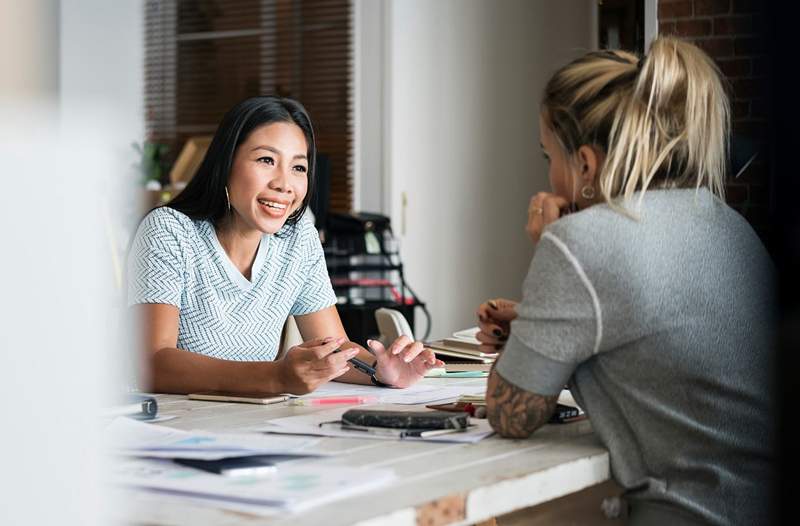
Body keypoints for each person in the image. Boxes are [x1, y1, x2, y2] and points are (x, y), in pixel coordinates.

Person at [476, 37, 774, 525]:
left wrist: (552, 244)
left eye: (548, 155)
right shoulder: (726, 222)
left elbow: (511, 416)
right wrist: (540, 325)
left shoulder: (579, 241)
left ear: (586, 165)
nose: (549, 176)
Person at [128, 96, 443, 395]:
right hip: (174, 432)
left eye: (298, 167)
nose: (284, 184)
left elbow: (332, 350)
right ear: (225, 163)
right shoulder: (169, 230)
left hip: (257, 425)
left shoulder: (298, 237)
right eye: (266, 160)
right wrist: (276, 376)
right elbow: (152, 366)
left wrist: (381, 370)